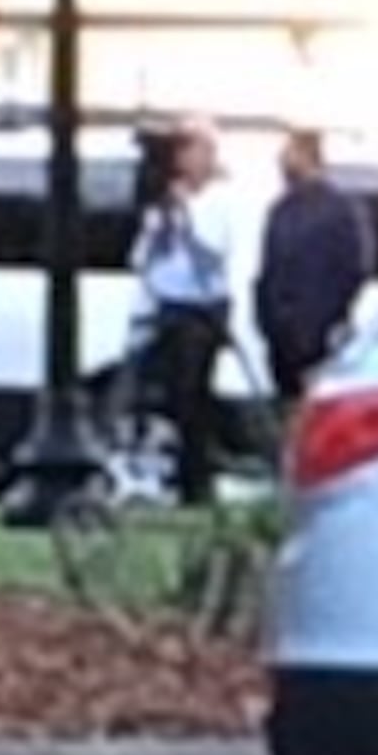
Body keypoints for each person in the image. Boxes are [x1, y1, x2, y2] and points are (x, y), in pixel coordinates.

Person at [127, 115, 253, 507]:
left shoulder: (221, 198)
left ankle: (197, 478)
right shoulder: (163, 200)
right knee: (165, 393)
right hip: (168, 305)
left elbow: (213, 250)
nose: (185, 158)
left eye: (192, 148)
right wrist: (159, 222)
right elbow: (141, 258)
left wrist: (187, 212)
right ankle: (171, 471)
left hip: (203, 308)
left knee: (193, 394)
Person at [253, 125, 378, 410]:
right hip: (281, 334)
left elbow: (356, 267)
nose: (281, 162)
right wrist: (266, 316)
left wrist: (330, 315)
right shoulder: (282, 208)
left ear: (307, 155)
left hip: (319, 332)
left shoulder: (341, 208)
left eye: (288, 154)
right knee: (286, 405)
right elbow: (270, 267)